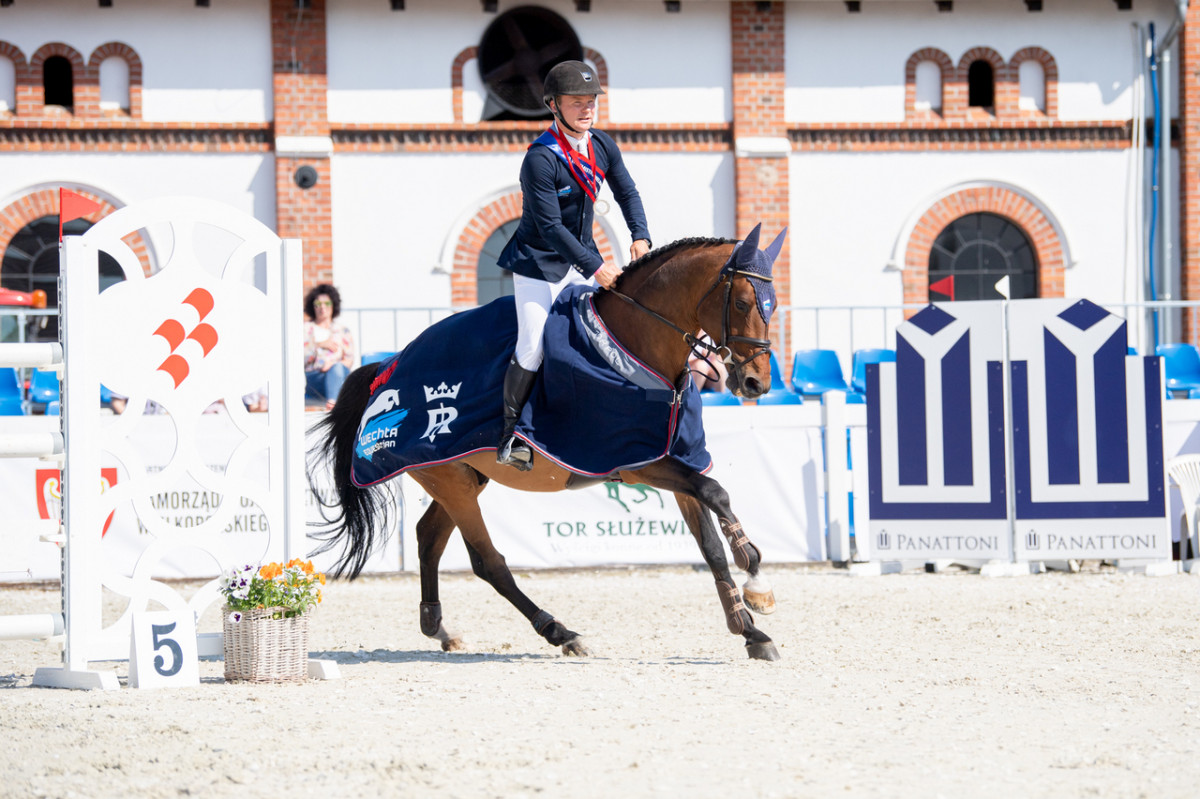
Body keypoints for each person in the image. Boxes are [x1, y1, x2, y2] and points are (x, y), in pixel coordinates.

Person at [495, 59, 652, 470]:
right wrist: (596, 267)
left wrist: (640, 235)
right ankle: (512, 435)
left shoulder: (602, 145)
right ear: (553, 105)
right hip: (538, 265)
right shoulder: (541, 159)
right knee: (532, 344)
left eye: (591, 101)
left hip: (579, 257)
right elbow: (549, 228)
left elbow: (628, 192)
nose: (587, 109)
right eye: (577, 102)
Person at [303, 284, 355, 408]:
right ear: (312, 306)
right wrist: (320, 345)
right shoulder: (306, 329)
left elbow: (349, 360)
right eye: (318, 304)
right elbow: (299, 357)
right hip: (314, 378)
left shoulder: (343, 330)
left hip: (338, 376)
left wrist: (332, 366)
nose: (322, 307)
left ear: (333, 305)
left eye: (326, 303)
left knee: (338, 369)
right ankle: (334, 407)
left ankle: (332, 403)